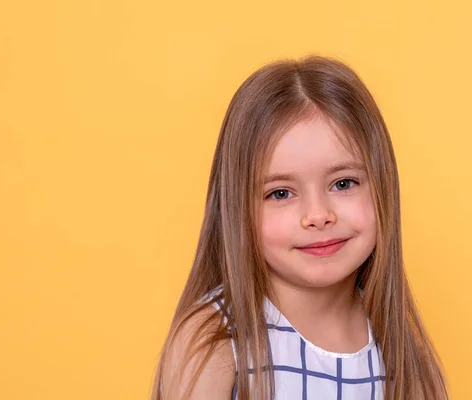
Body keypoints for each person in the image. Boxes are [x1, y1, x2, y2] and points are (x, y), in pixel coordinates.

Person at [151, 55, 448, 400]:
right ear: (237, 209)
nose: (318, 215)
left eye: (343, 183)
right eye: (280, 193)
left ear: (382, 186)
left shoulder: (402, 354)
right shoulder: (216, 340)